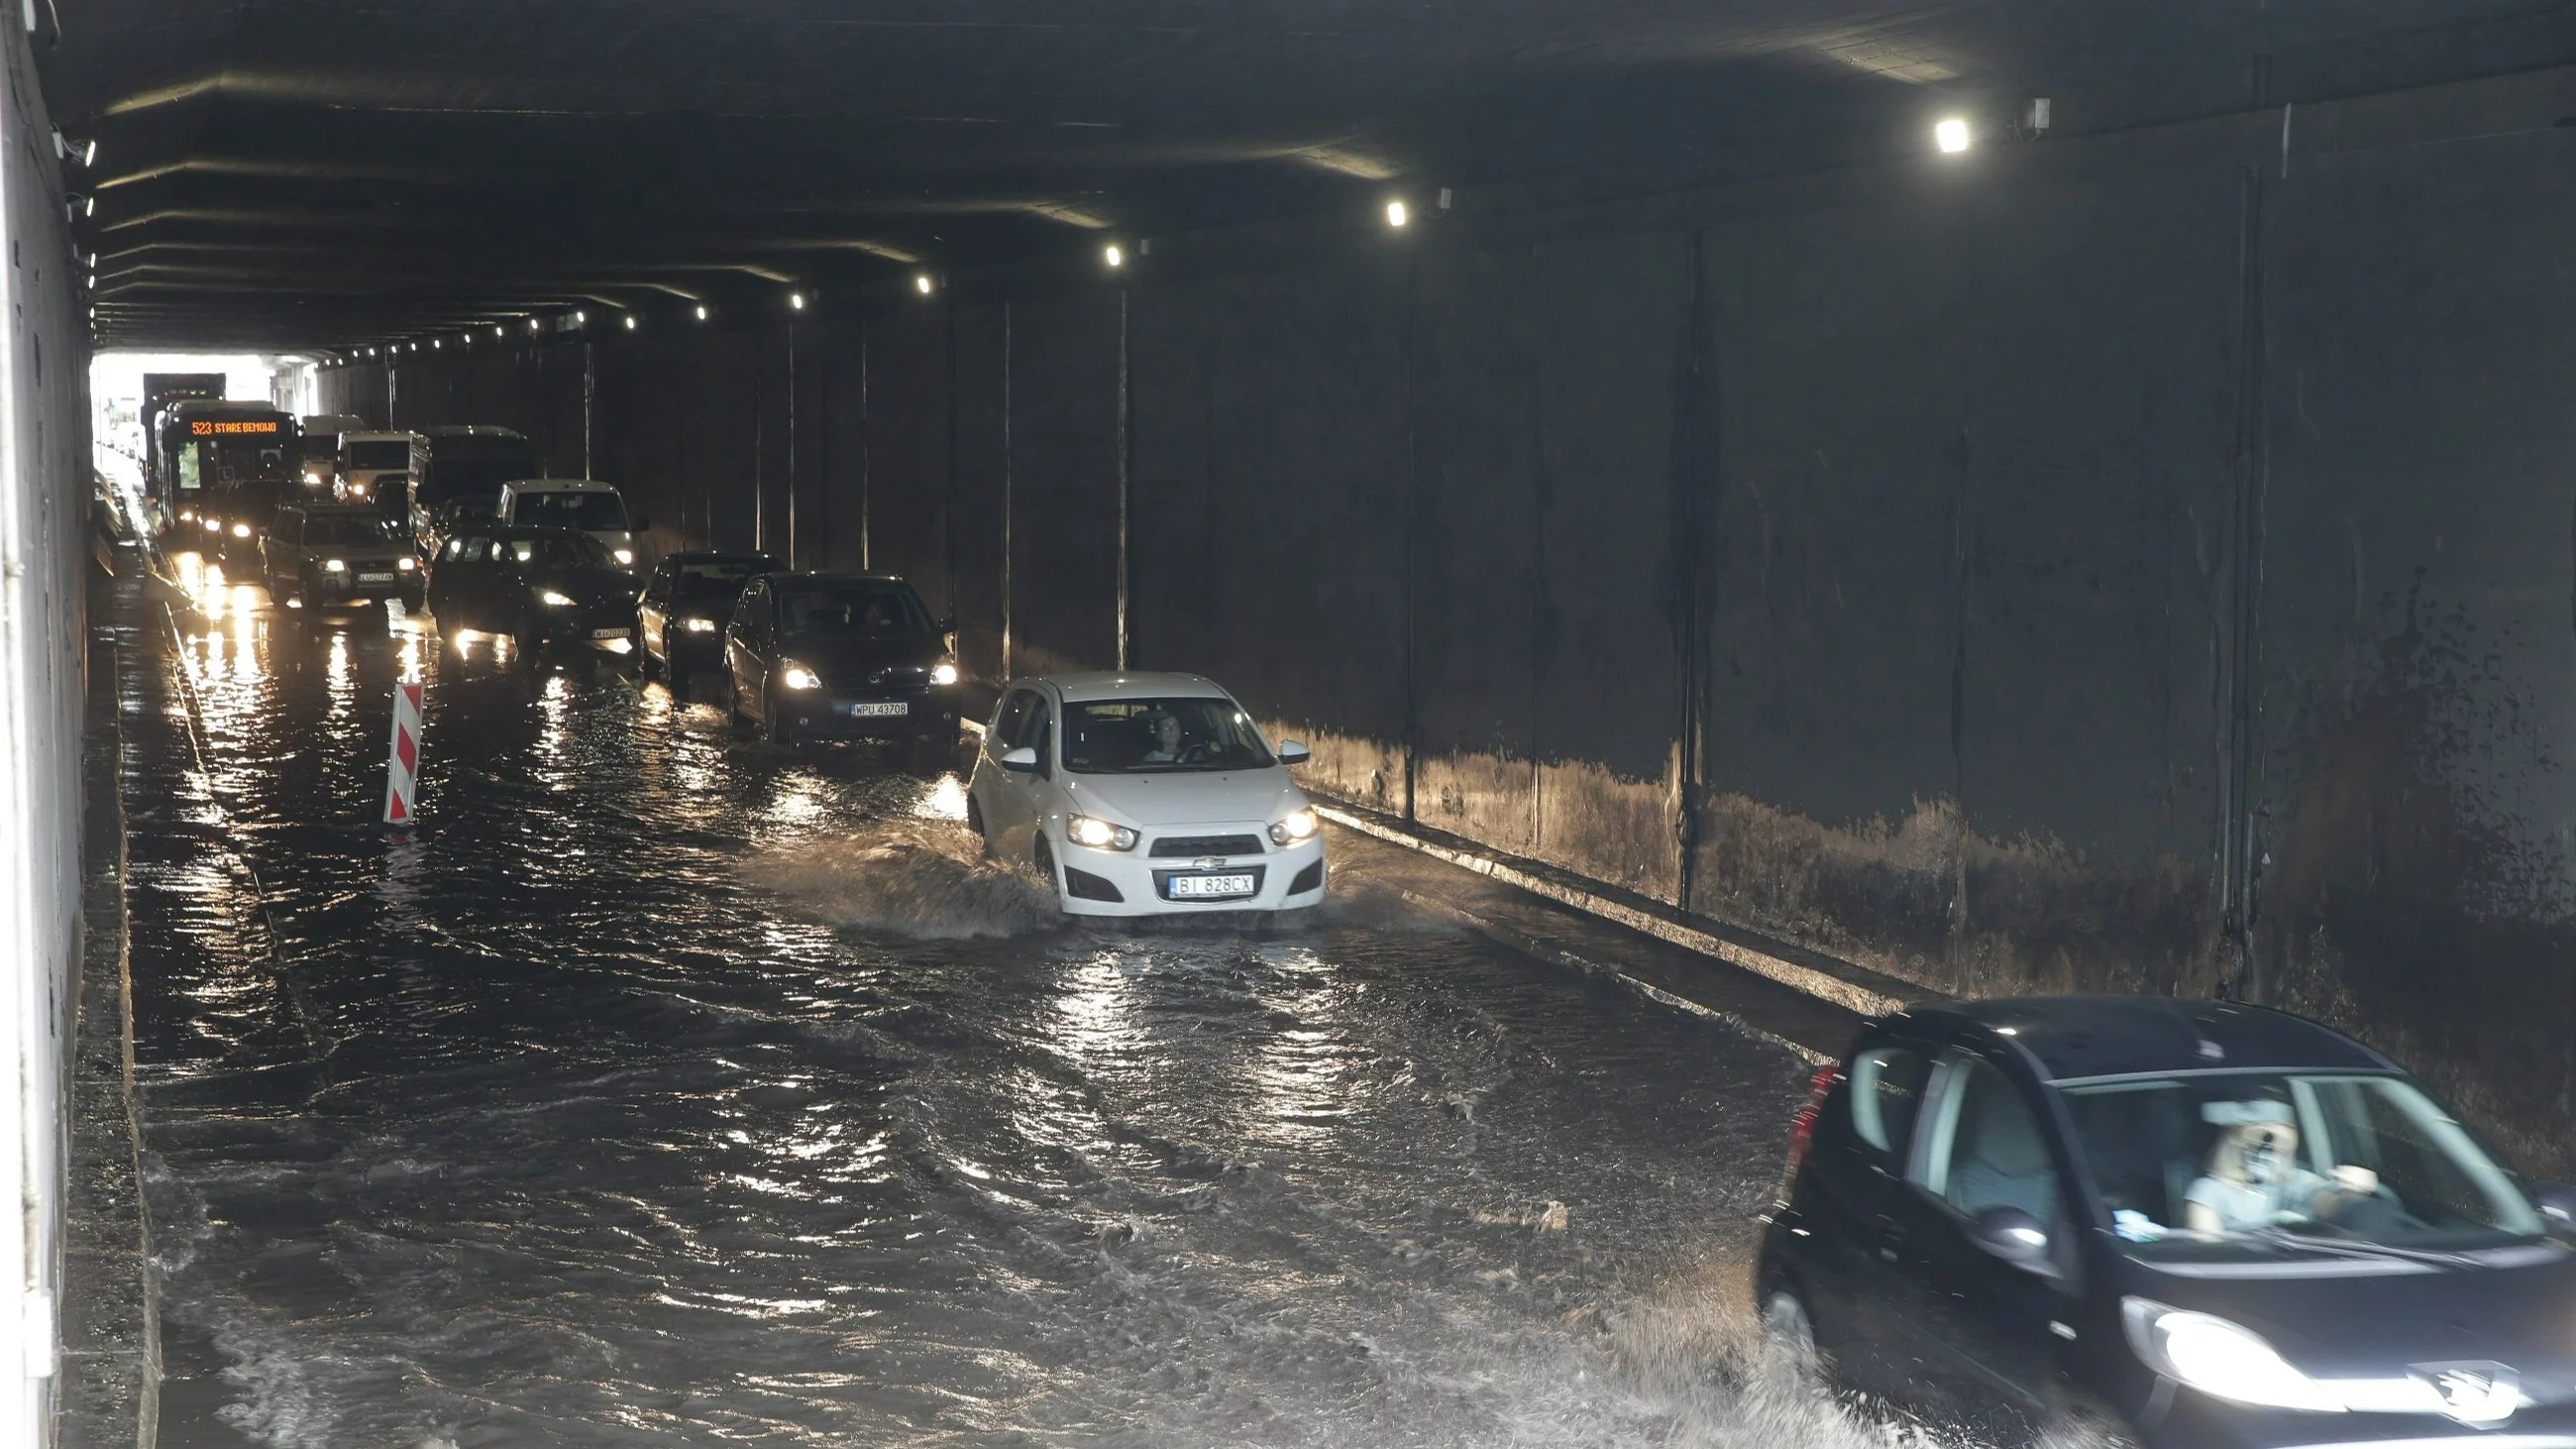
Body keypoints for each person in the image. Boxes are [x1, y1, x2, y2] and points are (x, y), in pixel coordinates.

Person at [2183, 1098, 2378, 1234]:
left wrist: (2353, 1191)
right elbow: (2207, 1253)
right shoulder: (2208, 1191)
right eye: (2266, 1135)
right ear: (2235, 1136)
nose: (2275, 1144)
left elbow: (2327, 1203)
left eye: (2286, 1128)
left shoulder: (2295, 1181)